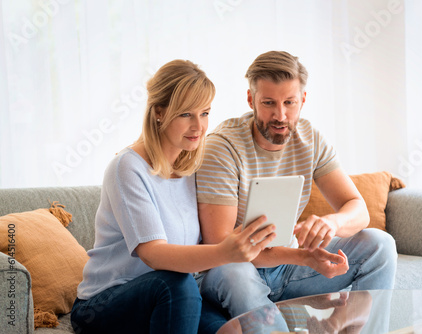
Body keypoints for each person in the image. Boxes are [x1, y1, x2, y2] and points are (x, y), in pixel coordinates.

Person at [70, 59, 276, 334]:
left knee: (231, 329)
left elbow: (205, 243)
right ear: (159, 112)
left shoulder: (191, 169)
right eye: (185, 114)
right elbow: (153, 255)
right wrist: (224, 252)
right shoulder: (127, 168)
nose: (198, 126)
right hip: (103, 304)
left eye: (204, 113)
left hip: (173, 298)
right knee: (176, 283)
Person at [195, 51, 398, 330]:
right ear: (250, 99)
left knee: (380, 245)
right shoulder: (223, 147)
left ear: (302, 100)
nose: (280, 115)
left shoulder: (310, 139)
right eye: (268, 103)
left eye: (289, 102)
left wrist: (332, 222)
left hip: (288, 268)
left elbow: (357, 208)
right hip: (237, 270)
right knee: (234, 271)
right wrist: (305, 256)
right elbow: (222, 247)